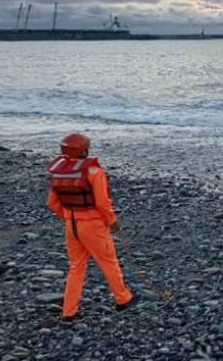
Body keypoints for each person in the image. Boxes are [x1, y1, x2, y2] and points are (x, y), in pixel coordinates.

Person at [47, 133, 138, 321]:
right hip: (93, 226)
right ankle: (123, 298)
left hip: (71, 225)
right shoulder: (94, 172)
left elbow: (52, 202)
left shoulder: (60, 171)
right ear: (84, 150)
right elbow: (102, 203)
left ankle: (69, 311)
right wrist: (112, 221)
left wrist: (68, 216)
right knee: (108, 262)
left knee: (76, 266)